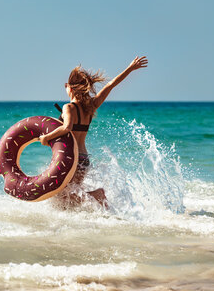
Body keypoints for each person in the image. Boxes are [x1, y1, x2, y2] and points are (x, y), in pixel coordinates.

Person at [39, 56, 148, 209]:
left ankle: (97, 195)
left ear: (71, 87)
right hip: (83, 158)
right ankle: (91, 209)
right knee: (70, 195)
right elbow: (110, 85)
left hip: (72, 158)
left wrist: (46, 137)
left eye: (66, 85)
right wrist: (130, 68)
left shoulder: (68, 107)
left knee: (63, 196)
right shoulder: (90, 107)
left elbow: (67, 127)